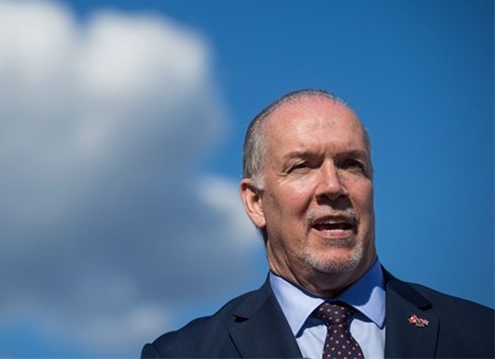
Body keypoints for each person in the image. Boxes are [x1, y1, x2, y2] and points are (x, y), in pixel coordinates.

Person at [141, 89, 494, 358]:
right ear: (255, 201)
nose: (333, 186)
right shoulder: (183, 354)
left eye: (351, 164)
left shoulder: (481, 336)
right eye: (303, 166)